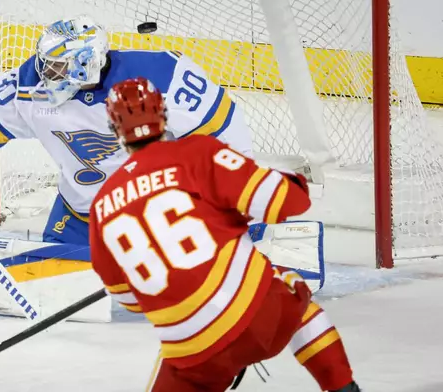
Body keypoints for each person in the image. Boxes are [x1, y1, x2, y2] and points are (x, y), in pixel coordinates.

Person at [88, 77, 361, 392]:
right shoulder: (196, 153)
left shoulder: (102, 205)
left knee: (176, 365)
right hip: (260, 316)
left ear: (114, 130)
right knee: (293, 292)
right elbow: (284, 201)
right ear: (163, 115)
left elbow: (128, 299)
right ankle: (342, 387)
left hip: (191, 353)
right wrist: (294, 183)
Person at [0, 14, 254, 251]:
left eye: (56, 67)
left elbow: (224, 130)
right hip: (83, 215)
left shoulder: (160, 78)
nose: (43, 73)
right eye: (45, 63)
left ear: (87, 64)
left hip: (163, 215)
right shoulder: (28, 88)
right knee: (52, 276)